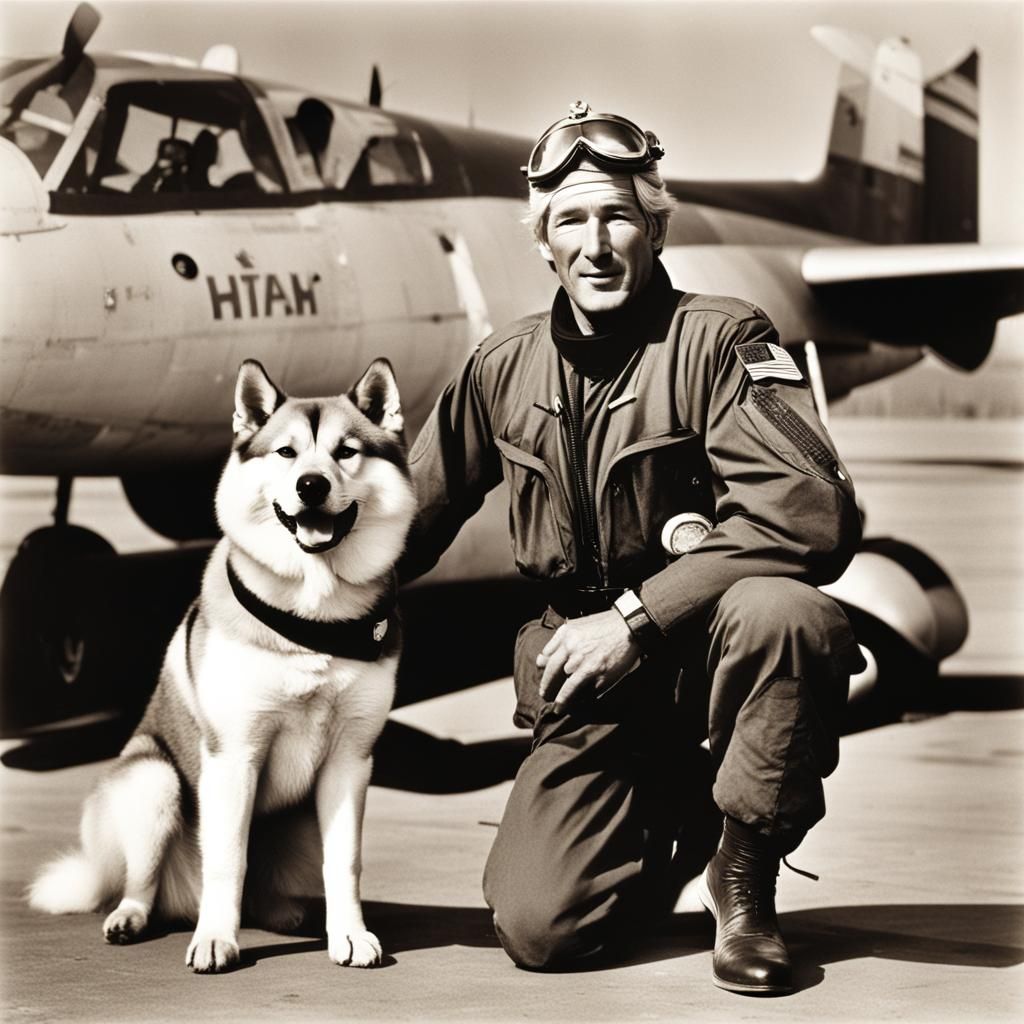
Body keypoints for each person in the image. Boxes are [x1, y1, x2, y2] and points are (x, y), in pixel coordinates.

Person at [400, 101, 865, 995]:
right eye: (571, 219)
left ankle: (742, 876)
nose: (596, 242)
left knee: (789, 613)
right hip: (585, 684)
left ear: (654, 225)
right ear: (543, 239)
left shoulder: (722, 339)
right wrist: (268, 602)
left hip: (701, 652)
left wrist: (638, 618)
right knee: (541, 928)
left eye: (617, 214)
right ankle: (680, 817)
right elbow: (406, 517)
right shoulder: (503, 366)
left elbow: (811, 516)